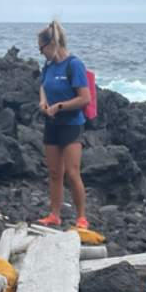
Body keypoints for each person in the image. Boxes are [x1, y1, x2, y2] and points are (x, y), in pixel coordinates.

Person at [36, 19, 91, 230]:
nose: (40, 52)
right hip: (52, 124)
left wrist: (59, 106)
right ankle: (55, 215)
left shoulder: (73, 65)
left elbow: (84, 98)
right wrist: (43, 101)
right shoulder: (48, 66)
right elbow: (44, 85)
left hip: (71, 124)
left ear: (51, 44)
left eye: (41, 47)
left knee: (73, 173)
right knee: (55, 173)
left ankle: (81, 218)